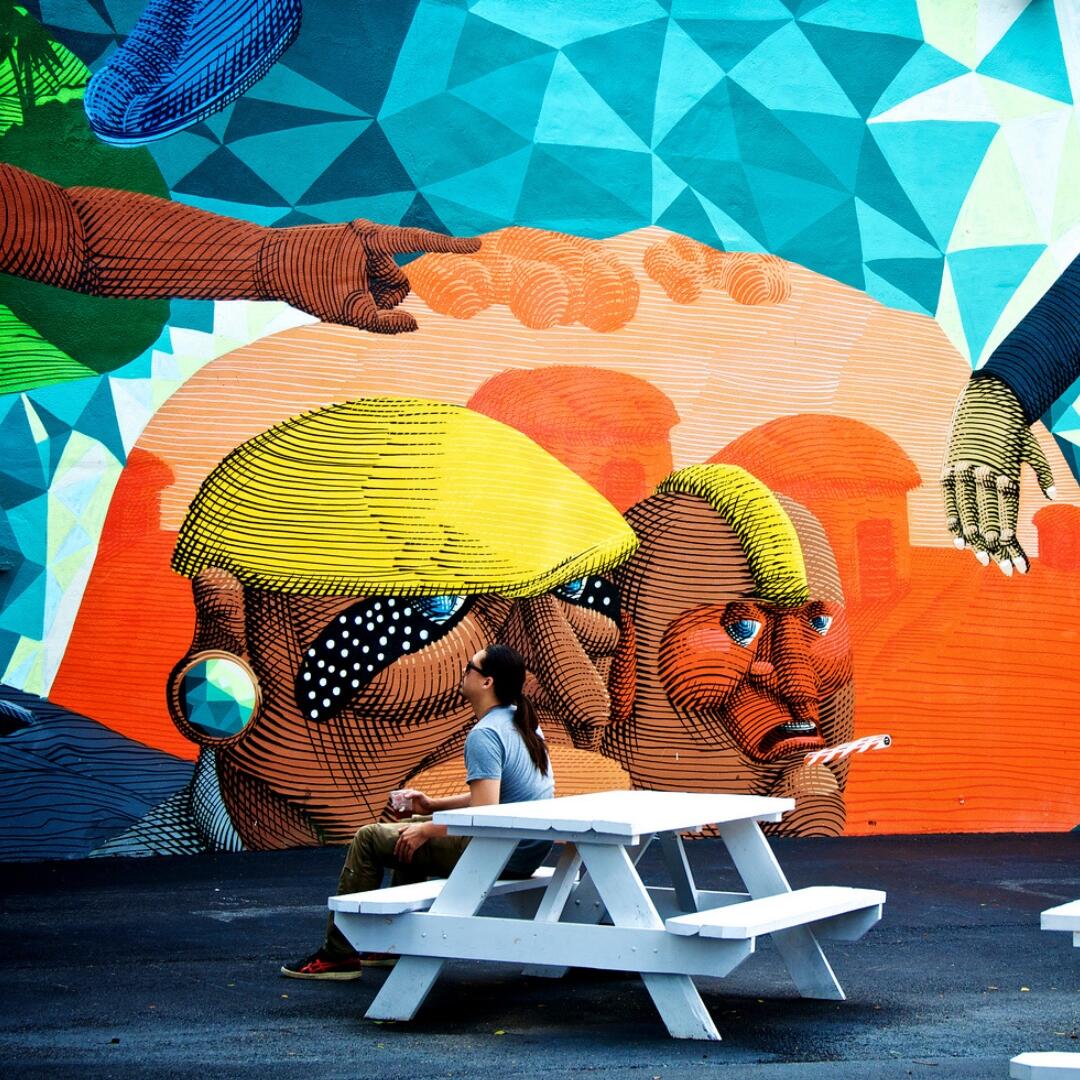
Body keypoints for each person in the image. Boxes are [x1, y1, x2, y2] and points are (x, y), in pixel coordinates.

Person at [281, 642, 554, 979]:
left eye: (471, 666)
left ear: (487, 682)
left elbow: (485, 814)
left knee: (369, 838)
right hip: (524, 850)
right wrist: (431, 808)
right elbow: (496, 797)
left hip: (499, 853)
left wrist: (428, 829)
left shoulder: (485, 734)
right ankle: (388, 945)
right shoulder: (521, 722)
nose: (464, 670)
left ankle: (338, 955)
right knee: (413, 825)